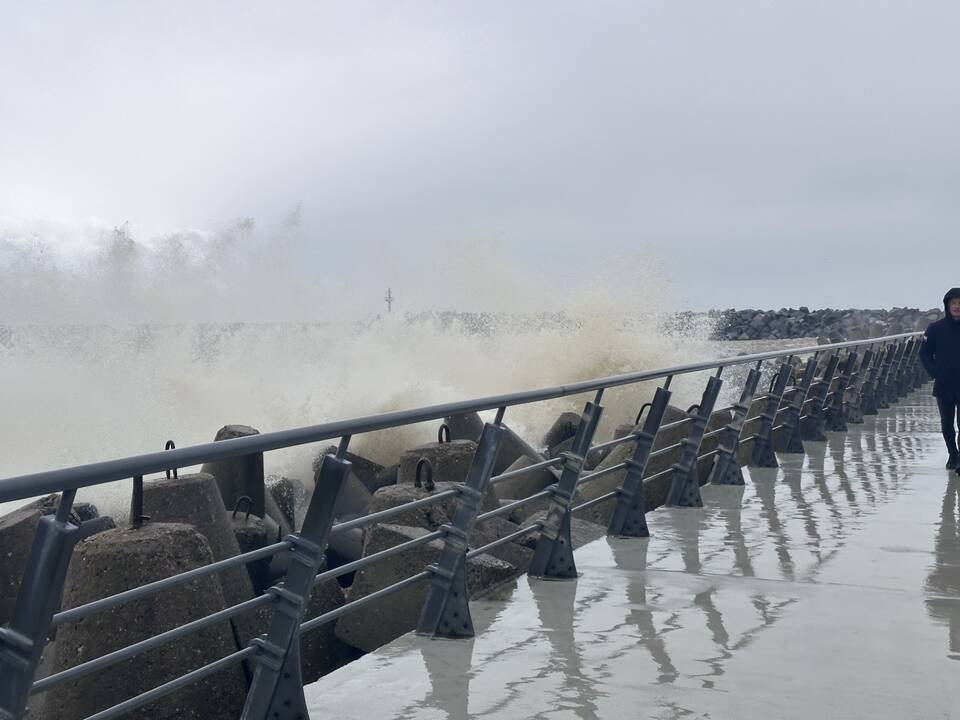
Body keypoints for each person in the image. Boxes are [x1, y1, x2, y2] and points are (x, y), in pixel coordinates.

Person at [921, 288, 960, 469]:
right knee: (946, 425)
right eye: (953, 303)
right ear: (947, 305)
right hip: (944, 384)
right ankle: (953, 454)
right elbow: (924, 354)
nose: (957, 306)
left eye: (959, 303)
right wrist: (935, 371)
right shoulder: (936, 329)